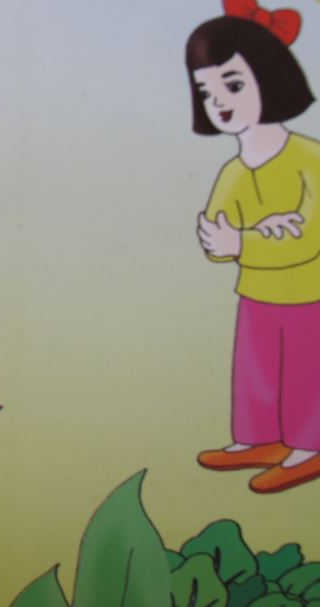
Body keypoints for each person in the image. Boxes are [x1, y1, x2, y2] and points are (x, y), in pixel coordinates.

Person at [187, 0, 320, 492]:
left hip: (309, 294)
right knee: (255, 369)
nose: (219, 102)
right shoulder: (234, 171)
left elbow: (308, 237)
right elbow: (216, 235)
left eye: (234, 85)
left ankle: (308, 446)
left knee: (305, 371)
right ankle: (258, 439)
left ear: (272, 79)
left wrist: (242, 241)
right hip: (255, 292)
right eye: (207, 91)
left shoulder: (309, 158)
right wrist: (233, 241)